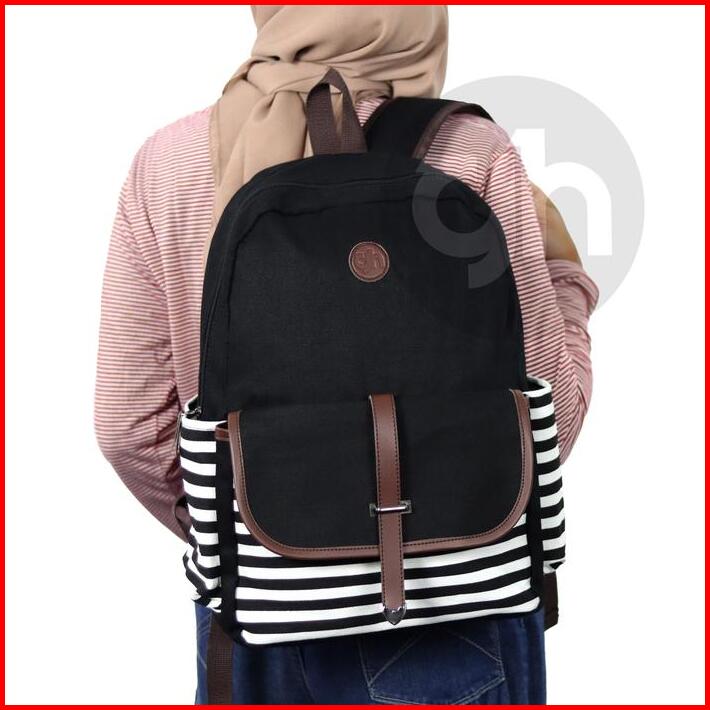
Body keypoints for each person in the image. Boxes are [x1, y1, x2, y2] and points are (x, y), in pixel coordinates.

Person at [95, 5, 598, 704]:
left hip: (256, 619)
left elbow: (127, 429)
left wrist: (257, 535)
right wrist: (567, 280)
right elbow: (549, 421)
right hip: (457, 614)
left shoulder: (167, 163)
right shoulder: (472, 151)